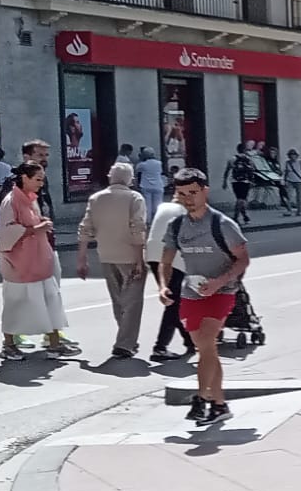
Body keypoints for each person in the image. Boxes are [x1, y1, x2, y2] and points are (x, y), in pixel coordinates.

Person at [156, 169, 249, 425]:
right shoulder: (177, 226)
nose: (188, 199)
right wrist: (163, 286)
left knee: (206, 343)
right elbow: (165, 260)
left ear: (205, 191)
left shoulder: (223, 224)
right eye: (182, 193)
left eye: (193, 193)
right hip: (190, 293)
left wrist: (219, 281)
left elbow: (243, 260)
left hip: (222, 293)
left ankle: (201, 399)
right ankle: (220, 405)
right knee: (207, 350)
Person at [0, 162, 80, 361]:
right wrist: (36, 228)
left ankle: (54, 344)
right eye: (38, 179)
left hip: (39, 261)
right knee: (16, 305)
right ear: (24, 177)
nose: (41, 184)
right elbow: (7, 232)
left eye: (42, 179)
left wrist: (40, 222)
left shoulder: (29, 199)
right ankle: (8, 345)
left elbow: (32, 222)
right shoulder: (11, 201)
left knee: (50, 301)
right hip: (19, 265)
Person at [75, 161, 150, 359]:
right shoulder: (135, 198)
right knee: (132, 303)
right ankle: (125, 343)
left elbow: (85, 228)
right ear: (131, 179)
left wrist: (82, 258)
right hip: (129, 255)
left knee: (118, 300)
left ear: (110, 177)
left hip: (106, 254)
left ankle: (125, 338)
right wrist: (139, 260)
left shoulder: (96, 198)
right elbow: (138, 229)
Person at [146, 176, 193, 361]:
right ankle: (160, 347)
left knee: (174, 300)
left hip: (153, 254)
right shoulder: (184, 212)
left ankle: (189, 340)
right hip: (172, 257)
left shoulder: (163, 207)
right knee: (173, 302)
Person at [21, 139, 54, 221]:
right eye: (40, 155)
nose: (44, 159)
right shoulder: (19, 179)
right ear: (26, 158)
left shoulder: (43, 177)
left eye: (46, 155)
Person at [226, 143, 255, 225]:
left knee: (240, 199)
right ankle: (235, 217)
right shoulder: (248, 159)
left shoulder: (232, 159)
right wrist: (252, 181)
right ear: (245, 150)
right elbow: (252, 171)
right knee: (241, 200)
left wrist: (225, 181)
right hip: (245, 181)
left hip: (235, 181)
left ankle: (245, 216)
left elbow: (227, 170)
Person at [134, 145, 164, 218]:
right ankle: (157, 220)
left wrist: (141, 159)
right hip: (158, 185)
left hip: (146, 186)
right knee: (158, 204)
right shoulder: (159, 163)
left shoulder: (142, 164)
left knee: (147, 205)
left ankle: (148, 221)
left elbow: (136, 170)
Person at [281, 149, 301, 216]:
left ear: (296, 156)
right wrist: (284, 180)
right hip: (290, 181)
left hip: (299, 181)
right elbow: (286, 171)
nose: (293, 156)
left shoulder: (300, 162)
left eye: (294, 155)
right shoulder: (287, 162)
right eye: (291, 155)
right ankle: (289, 210)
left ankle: (299, 211)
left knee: (299, 197)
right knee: (288, 196)